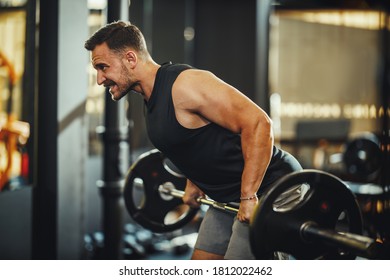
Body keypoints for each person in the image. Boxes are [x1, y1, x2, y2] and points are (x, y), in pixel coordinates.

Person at [84, 20, 302, 260]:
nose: (100, 79)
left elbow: (259, 123)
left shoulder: (185, 84)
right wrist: (195, 183)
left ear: (130, 59)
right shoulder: (150, 97)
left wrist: (249, 196)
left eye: (103, 67)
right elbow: (192, 141)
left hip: (270, 189)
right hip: (229, 197)